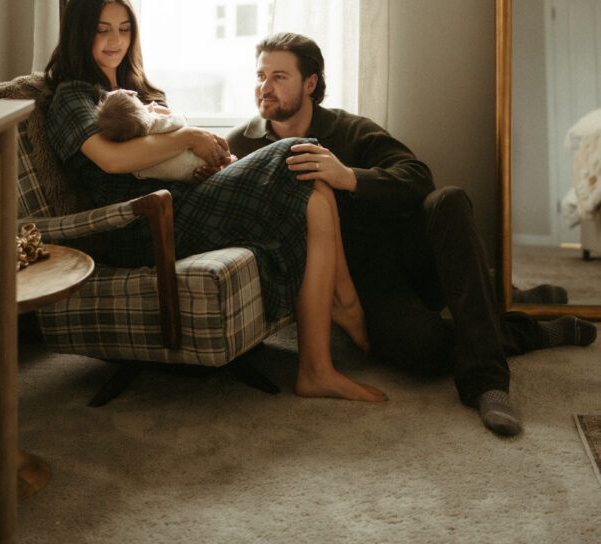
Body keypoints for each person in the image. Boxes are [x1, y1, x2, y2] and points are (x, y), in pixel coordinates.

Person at [227, 32, 598, 438]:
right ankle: (527, 324)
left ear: (310, 83)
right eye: (260, 76)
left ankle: (487, 382)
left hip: (409, 253)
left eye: (279, 76)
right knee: (427, 354)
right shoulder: (240, 145)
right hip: (367, 284)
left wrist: (349, 176)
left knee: (449, 200)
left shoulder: (349, 130)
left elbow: (418, 177)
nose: (265, 87)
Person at [43, 0, 386, 404]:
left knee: (313, 190)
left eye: (124, 28)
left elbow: (161, 161)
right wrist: (189, 137)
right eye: (102, 29)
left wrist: (203, 170)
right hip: (143, 226)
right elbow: (112, 160)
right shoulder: (73, 96)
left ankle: (317, 369)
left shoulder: (139, 90)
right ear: (80, 32)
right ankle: (345, 303)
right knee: (298, 153)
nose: (116, 40)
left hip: (184, 203)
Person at [95, 88, 204, 182]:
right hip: (197, 164)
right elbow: (181, 121)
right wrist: (159, 113)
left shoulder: (135, 164)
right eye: (141, 104)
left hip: (185, 178)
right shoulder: (156, 124)